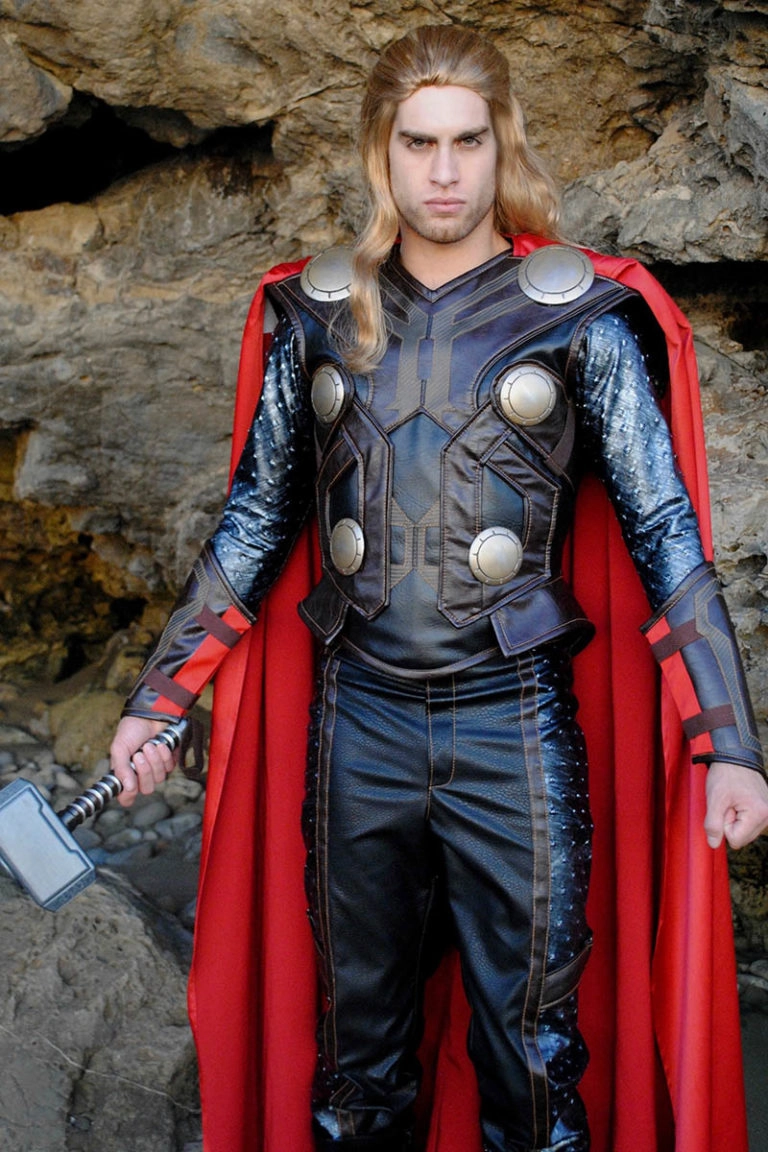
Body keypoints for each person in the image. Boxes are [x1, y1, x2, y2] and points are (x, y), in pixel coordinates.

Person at [109, 24, 768, 1152]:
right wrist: (158, 700)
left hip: (514, 726)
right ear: (383, 151)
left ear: (502, 144)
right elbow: (257, 519)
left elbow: (664, 530)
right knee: (358, 1070)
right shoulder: (315, 315)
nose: (446, 171)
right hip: (357, 725)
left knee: (534, 1069)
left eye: (468, 140)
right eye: (420, 142)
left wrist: (732, 745)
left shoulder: (582, 316)